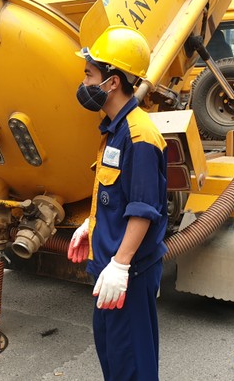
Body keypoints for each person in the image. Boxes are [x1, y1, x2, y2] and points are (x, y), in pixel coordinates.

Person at [67, 26, 168, 380]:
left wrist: (122, 265)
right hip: (108, 269)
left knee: (132, 366)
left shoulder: (140, 136)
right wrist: (89, 225)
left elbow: (143, 209)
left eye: (89, 75)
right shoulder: (114, 128)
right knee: (113, 358)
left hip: (129, 273)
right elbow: (115, 194)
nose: (84, 83)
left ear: (112, 82)